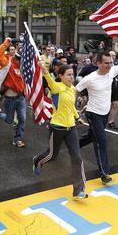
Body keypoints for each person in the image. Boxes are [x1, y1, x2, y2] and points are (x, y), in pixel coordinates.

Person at [77, 34, 118, 183]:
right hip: (92, 113)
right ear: (97, 63)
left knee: (92, 136)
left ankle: (73, 145)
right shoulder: (89, 78)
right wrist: (73, 111)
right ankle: (104, 173)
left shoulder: (112, 72)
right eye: (106, 63)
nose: (109, 65)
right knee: (101, 141)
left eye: (111, 62)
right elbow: (74, 91)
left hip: (104, 113)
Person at [33, 62, 87, 200]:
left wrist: (77, 117)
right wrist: (43, 67)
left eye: (72, 75)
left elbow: (71, 106)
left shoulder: (73, 89)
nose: (71, 77)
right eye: (68, 75)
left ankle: (78, 190)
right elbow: (47, 76)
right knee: (52, 155)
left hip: (71, 128)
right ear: (61, 76)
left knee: (77, 158)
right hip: (57, 127)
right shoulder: (56, 87)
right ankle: (38, 161)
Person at [0, 37, 27, 148]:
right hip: (9, 99)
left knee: (22, 118)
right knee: (9, 120)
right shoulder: (7, 63)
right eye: (19, 60)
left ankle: (18, 139)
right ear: (15, 58)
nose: (21, 63)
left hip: (20, 98)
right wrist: (6, 43)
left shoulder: (23, 67)